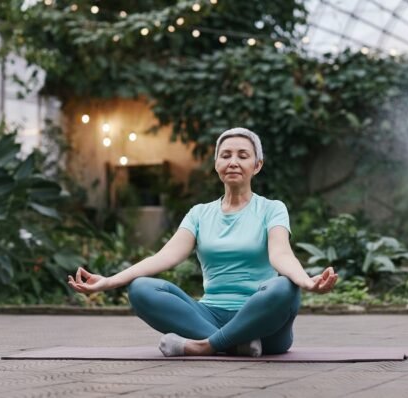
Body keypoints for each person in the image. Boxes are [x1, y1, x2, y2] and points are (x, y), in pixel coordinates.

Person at [67, 127, 338, 357]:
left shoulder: (272, 209)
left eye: (243, 156)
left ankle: (203, 347)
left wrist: (306, 281)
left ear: (257, 166)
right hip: (208, 315)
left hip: (264, 325)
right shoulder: (199, 213)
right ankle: (234, 344)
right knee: (140, 289)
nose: (233, 161)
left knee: (284, 288)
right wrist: (109, 281)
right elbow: (164, 257)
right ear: (216, 164)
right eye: (226, 155)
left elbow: (281, 255)